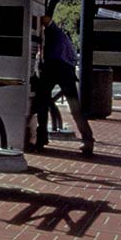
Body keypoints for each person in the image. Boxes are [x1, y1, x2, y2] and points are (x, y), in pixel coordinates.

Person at [33, 14, 94, 156]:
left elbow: (46, 20)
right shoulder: (62, 36)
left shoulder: (52, 31)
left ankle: (41, 138)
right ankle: (87, 139)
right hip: (65, 71)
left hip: (52, 68)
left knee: (42, 103)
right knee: (75, 107)